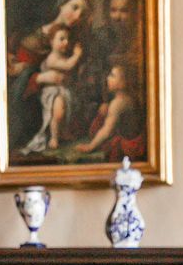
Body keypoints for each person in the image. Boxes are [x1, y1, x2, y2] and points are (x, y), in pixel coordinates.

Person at [20, 25, 83, 153]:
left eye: (68, 39)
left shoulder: (63, 56)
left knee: (66, 112)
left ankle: (63, 133)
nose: (66, 42)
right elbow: (67, 66)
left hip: (63, 91)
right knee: (58, 113)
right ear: (51, 42)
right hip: (52, 92)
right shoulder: (52, 58)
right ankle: (54, 137)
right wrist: (77, 55)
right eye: (61, 39)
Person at [74, 60, 146, 162]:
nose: (107, 78)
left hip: (130, 147)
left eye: (112, 75)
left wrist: (90, 146)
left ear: (123, 83)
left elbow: (107, 131)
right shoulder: (127, 98)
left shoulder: (118, 103)